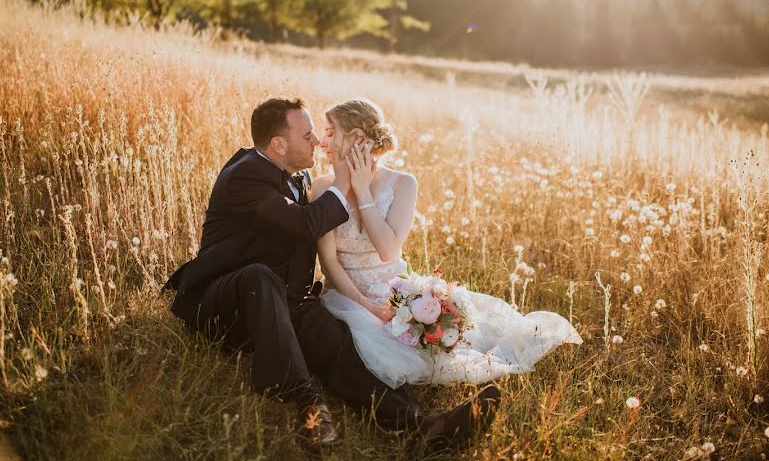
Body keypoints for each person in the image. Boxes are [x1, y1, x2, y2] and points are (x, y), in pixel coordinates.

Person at [163, 97, 501, 453]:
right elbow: (305, 225)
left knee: (336, 338)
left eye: (318, 134)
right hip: (224, 302)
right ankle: (307, 403)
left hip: (281, 301)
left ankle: (421, 426)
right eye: (308, 135)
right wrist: (344, 183)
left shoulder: (302, 177)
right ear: (279, 144)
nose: (317, 142)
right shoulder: (244, 176)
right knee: (259, 276)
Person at [311, 98, 583, 389]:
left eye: (329, 132)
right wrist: (368, 307)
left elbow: (387, 249)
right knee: (379, 347)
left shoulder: (404, 184)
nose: (321, 142)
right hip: (347, 296)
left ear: (357, 138)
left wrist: (362, 190)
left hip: (395, 292)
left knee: (450, 342)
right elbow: (329, 262)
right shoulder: (321, 187)